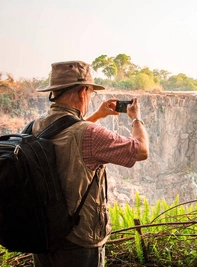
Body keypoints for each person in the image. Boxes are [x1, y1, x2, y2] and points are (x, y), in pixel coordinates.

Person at [32, 60, 149, 267]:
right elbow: (141, 150)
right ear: (82, 92)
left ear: (54, 93)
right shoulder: (90, 134)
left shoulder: (35, 126)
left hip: (43, 235)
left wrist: (97, 115)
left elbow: (71, 132)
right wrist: (135, 119)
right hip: (79, 240)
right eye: (90, 92)